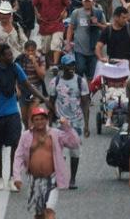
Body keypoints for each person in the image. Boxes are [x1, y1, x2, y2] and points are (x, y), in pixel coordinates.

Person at [0, 43, 46, 190]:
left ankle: (12, 176)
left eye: (11, 54)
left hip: (12, 113)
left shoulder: (15, 68)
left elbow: (28, 85)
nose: (11, 57)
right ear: (1, 56)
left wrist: (44, 98)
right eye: (8, 55)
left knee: (15, 145)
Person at [12, 107, 80, 219]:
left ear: (47, 120)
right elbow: (18, 156)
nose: (39, 122)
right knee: (39, 215)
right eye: (37, 119)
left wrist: (67, 127)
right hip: (34, 180)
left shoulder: (55, 134)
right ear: (32, 121)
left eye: (42, 119)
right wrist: (17, 177)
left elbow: (75, 143)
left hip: (52, 179)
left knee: (49, 211)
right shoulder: (26, 136)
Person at [47, 56, 91, 188]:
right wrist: (49, 123)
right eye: (68, 65)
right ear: (62, 67)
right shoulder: (55, 82)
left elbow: (85, 103)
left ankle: (72, 179)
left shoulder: (80, 81)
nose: (71, 68)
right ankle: (58, 177)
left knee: (75, 151)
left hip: (76, 122)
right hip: (60, 122)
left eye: (73, 65)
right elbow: (51, 102)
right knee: (57, 151)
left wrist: (87, 124)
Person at [66, 0, 107, 80]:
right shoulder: (76, 13)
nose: (87, 3)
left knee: (91, 75)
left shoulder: (99, 13)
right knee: (80, 69)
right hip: (79, 49)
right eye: (85, 1)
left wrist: (98, 24)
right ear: (82, 2)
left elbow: (106, 28)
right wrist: (68, 43)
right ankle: (80, 88)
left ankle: (88, 92)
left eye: (89, 1)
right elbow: (71, 28)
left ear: (93, 1)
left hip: (94, 49)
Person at [33, 0, 69, 65]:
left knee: (56, 44)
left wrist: (64, 12)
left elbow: (67, 4)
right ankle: (48, 64)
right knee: (46, 48)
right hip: (45, 24)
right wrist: (37, 14)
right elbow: (34, 4)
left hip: (57, 23)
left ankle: (55, 65)